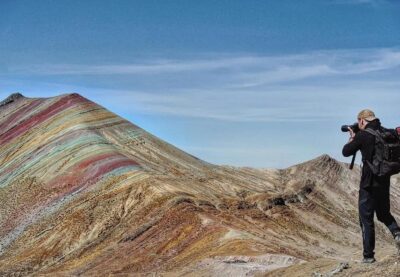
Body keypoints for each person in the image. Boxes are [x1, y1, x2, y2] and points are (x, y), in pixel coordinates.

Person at [342, 109, 400, 263]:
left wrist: (352, 138)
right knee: (383, 214)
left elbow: (346, 152)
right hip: (384, 179)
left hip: (368, 183)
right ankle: (397, 234)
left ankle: (368, 256)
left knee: (366, 219)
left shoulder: (363, 135)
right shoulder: (387, 132)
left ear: (362, 121)